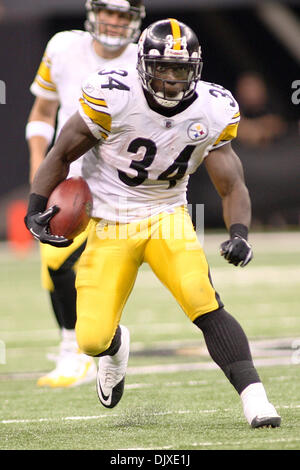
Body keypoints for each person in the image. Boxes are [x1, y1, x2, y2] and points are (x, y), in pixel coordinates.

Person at [25, 19, 281, 428]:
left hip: (166, 216)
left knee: (204, 301)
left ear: (194, 69)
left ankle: (257, 400)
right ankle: (114, 348)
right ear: (144, 65)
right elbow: (60, 152)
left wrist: (240, 234)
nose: (170, 78)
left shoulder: (212, 109)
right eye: (162, 67)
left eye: (179, 69)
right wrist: (36, 205)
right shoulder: (113, 95)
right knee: (90, 338)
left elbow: (231, 183)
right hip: (110, 221)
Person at [25, 0, 146, 388]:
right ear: (94, 11)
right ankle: (73, 349)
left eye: (123, 15)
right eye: (108, 12)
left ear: (134, 20)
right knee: (56, 261)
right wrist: (37, 167)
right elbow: (43, 112)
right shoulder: (62, 47)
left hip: (121, 181)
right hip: (70, 177)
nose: (113, 21)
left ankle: (97, 345)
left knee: (101, 271)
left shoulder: (145, 57)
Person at [235, 71, 287, 147]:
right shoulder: (232, 110)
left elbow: (278, 125)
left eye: (253, 88)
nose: (250, 92)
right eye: (246, 88)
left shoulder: (275, 106)